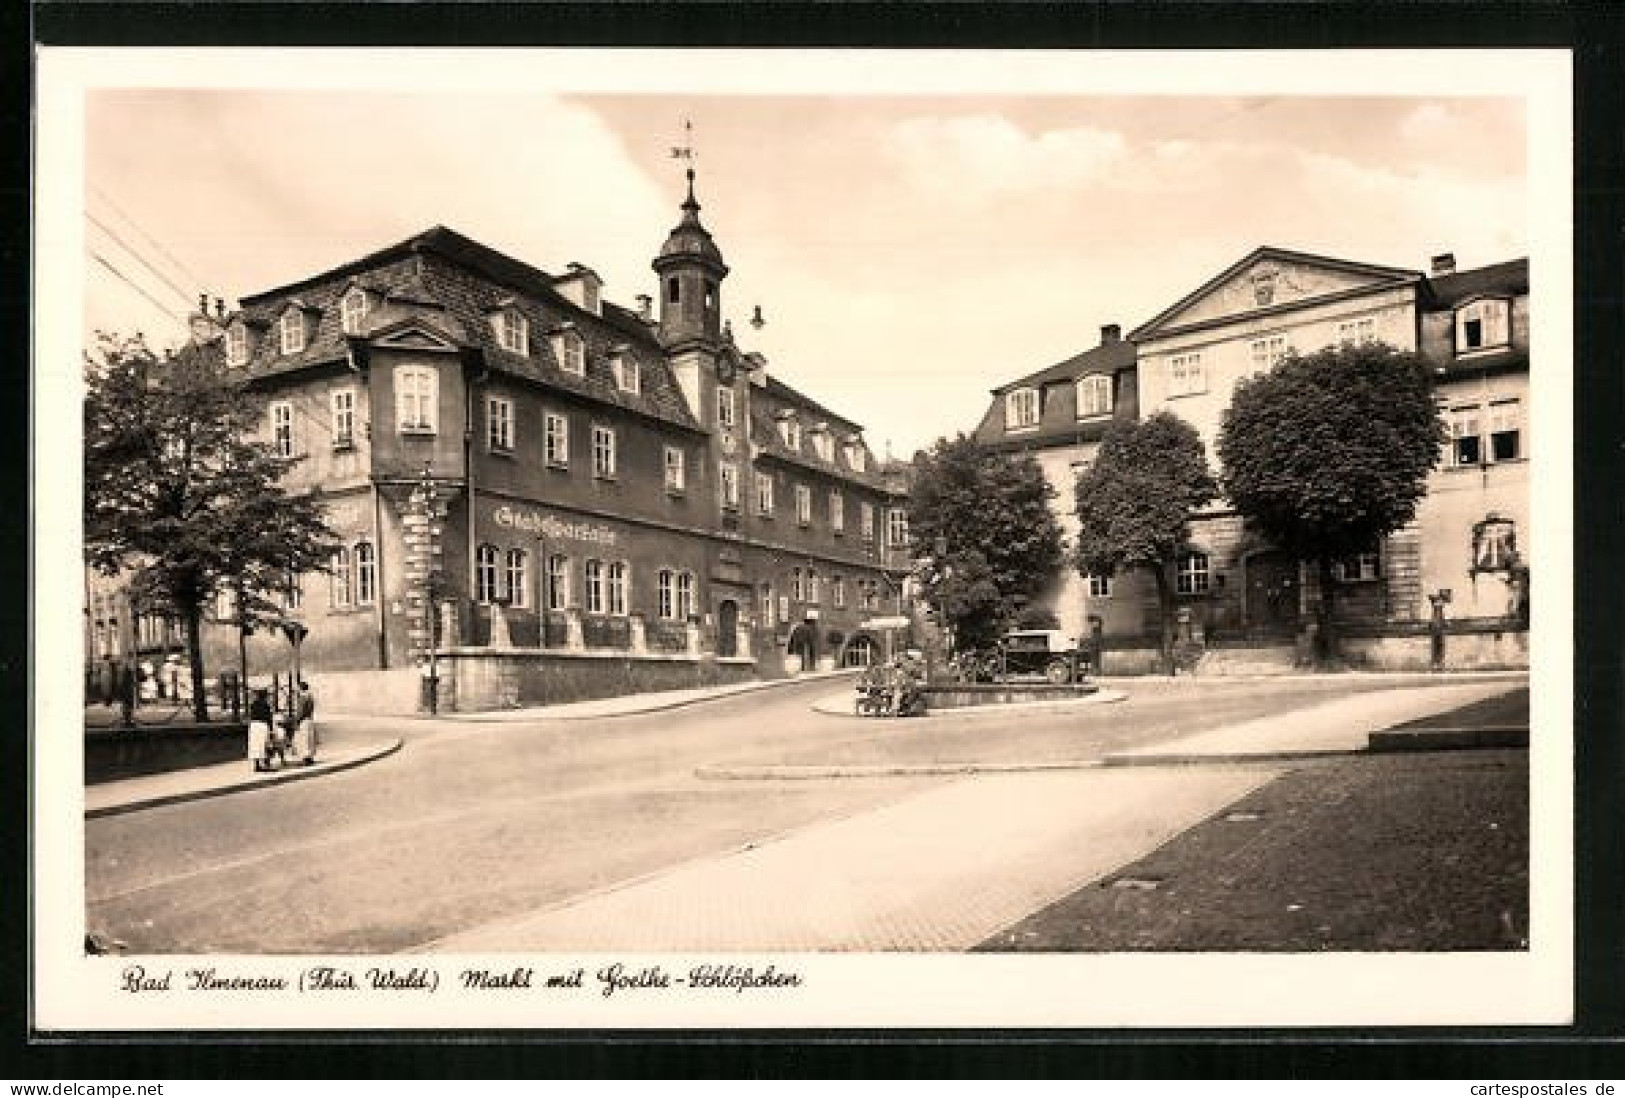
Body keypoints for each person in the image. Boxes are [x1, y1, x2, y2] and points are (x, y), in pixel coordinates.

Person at [247, 688, 276, 772]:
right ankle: (265, 765)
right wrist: (271, 730)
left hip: (254, 725)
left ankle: (256, 765)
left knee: (255, 745)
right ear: (265, 696)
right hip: (263, 725)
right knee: (264, 745)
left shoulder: (253, 705)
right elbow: (269, 718)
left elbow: (250, 716)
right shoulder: (266, 705)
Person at [291, 679, 318, 765]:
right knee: (309, 739)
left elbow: (300, 711)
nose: (296, 690)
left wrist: (296, 721)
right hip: (309, 719)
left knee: (303, 739)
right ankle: (309, 757)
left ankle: (305, 758)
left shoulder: (303, 697)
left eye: (298, 688)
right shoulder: (310, 696)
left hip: (303, 720)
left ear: (300, 688)